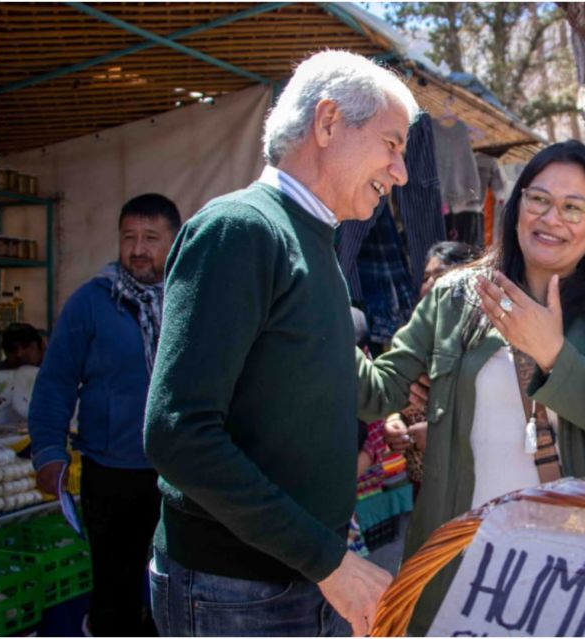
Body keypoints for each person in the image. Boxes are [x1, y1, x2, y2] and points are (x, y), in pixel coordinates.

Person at [142, 50, 420, 637]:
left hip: (300, 577)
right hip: (236, 591)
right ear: (326, 124)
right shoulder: (241, 228)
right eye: (392, 145)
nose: (400, 172)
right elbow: (177, 432)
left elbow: (358, 390)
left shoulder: (314, 243)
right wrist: (329, 562)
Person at [354, 140, 585, 634]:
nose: (551, 218)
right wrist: (316, 312)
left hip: (574, 560)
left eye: (573, 207)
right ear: (516, 208)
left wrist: (555, 356)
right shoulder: (455, 297)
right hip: (462, 555)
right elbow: (379, 389)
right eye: (538, 199)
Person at [29, 193, 181, 636]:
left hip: (181, 475)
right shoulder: (91, 303)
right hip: (110, 474)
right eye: (129, 237)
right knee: (114, 592)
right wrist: (48, 451)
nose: (138, 248)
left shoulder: (192, 299)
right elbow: (56, 381)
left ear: (174, 241)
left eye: (151, 238)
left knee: (172, 590)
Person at [382, 240, 478, 491]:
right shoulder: (410, 341)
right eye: (426, 277)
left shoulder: (482, 344)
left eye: (441, 276)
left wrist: (439, 438)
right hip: (419, 484)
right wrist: (394, 423)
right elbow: (397, 399)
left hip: (467, 484)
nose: (431, 285)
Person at [0, 322, 44, 426]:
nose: (19, 354)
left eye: (26, 346)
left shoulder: (58, 370)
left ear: (42, 345)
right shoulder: (1, 376)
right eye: (12, 349)